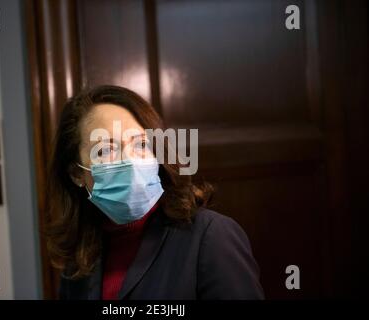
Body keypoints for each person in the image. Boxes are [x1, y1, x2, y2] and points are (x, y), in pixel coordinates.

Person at [46, 85, 264, 299]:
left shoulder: (211, 236)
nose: (129, 161)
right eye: (105, 150)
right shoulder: (80, 258)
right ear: (76, 173)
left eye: (141, 144)